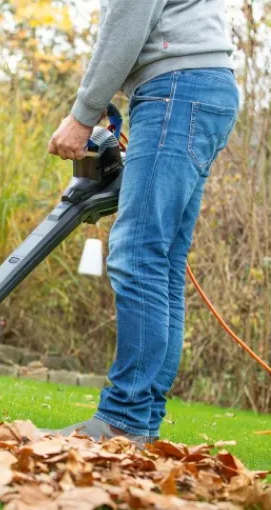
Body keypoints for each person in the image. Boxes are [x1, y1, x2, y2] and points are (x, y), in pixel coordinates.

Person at [47, 0, 239, 446]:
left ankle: (123, 419)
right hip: (198, 89)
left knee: (137, 253)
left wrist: (83, 112)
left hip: (177, 90)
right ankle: (141, 421)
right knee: (163, 262)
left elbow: (128, 17)